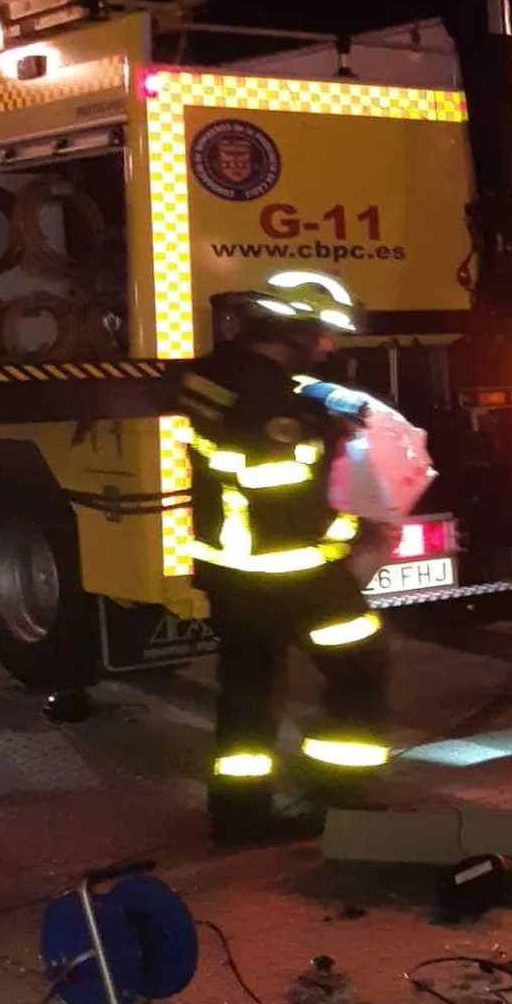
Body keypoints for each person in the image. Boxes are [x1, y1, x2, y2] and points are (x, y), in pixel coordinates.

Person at [173, 268, 392, 845]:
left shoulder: (213, 373)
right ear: (289, 330)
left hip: (231, 569)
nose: (328, 346)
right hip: (291, 569)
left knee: (248, 691)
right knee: (362, 666)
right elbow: (279, 483)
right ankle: (334, 789)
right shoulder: (273, 403)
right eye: (321, 333)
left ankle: (238, 815)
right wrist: (333, 452)